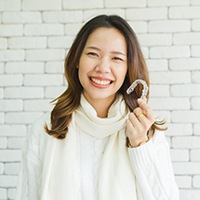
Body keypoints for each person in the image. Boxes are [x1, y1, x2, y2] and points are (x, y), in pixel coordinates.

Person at [15, 15, 179, 200]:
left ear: (128, 68)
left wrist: (140, 145)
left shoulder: (146, 131)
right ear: (77, 60)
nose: (103, 67)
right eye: (93, 54)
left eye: (116, 58)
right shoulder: (45, 130)